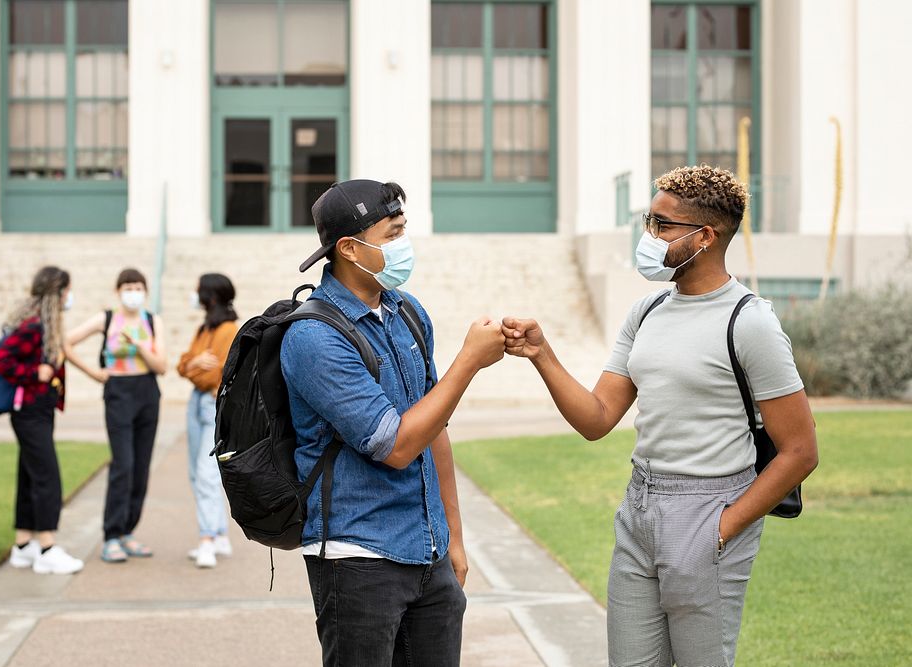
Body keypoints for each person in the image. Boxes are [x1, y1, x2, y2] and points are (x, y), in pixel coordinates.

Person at [502, 165, 819, 666]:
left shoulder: (750, 320)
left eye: (662, 225)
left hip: (711, 508)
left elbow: (800, 451)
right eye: (650, 221)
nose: (649, 235)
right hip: (640, 506)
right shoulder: (646, 310)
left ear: (706, 236)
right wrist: (543, 355)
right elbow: (598, 418)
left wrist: (724, 525)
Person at [281, 179, 505, 666]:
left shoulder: (406, 311)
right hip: (358, 556)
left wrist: (453, 540)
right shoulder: (313, 337)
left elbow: (434, 427)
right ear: (348, 248)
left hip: (428, 551)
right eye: (393, 233)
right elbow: (397, 445)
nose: (405, 245)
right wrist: (468, 361)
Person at [65, 268, 166, 563]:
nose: (133, 292)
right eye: (128, 287)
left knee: (141, 467)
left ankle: (127, 531)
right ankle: (111, 534)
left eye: (138, 287)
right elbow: (66, 342)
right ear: (118, 290)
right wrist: (94, 373)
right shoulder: (106, 319)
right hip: (118, 392)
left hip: (147, 390)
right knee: (123, 464)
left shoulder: (151, 320)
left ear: (145, 291)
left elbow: (161, 365)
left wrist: (139, 347)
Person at [0, 265, 84, 575]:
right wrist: (33, 374)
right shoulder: (33, 326)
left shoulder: (42, 324)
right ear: (57, 293)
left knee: (30, 475)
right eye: (67, 291)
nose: (69, 297)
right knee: (47, 477)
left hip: (37, 411)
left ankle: (23, 545)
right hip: (29, 412)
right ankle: (46, 547)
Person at [177, 273, 238, 568]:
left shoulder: (227, 330)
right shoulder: (205, 328)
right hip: (197, 403)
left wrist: (194, 366)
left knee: (206, 474)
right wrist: (194, 363)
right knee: (197, 472)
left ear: (210, 296)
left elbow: (214, 374)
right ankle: (218, 533)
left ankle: (207, 539)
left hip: (212, 404)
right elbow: (183, 364)